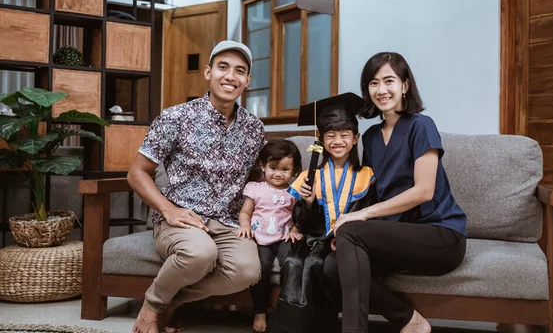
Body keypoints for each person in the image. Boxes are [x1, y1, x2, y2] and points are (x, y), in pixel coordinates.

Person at [322, 52, 467, 333]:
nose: (381, 90)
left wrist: (360, 218)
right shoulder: (372, 137)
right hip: (400, 237)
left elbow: (424, 191)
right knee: (330, 265)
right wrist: (341, 224)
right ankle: (408, 320)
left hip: (440, 236)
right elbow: (372, 193)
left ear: (405, 86)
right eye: (373, 83)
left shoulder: (421, 126)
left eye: (389, 80)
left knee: (351, 230)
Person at [128, 41, 265, 333]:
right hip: (181, 219)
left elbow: (258, 178)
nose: (231, 76)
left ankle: (170, 303)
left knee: (247, 271)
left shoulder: (254, 128)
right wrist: (169, 209)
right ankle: (152, 306)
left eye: (240, 71)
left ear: (247, 81)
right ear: (208, 72)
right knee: (200, 254)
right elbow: (137, 173)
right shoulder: (175, 117)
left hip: (228, 222)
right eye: (223, 67)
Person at [267, 93, 376, 333]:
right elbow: (303, 223)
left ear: (356, 138)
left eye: (345, 135)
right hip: (314, 238)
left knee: (315, 264)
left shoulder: (366, 175)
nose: (338, 141)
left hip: (343, 241)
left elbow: (368, 213)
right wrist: (308, 203)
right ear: (321, 140)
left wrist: (346, 236)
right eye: (331, 135)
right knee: (295, 262)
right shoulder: (311, 176)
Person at [237, 139, 304, 332]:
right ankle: (260, 311)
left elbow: (299, 215)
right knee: (261, 268)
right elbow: (245, 212)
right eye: (273, 168)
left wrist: (295, 229)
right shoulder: (255, 188)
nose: (278, 174)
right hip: (260, 238)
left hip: (284, 237)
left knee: (290, 264)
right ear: (262, 166)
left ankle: (284, 309)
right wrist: (245, 226)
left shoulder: (295, 192)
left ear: (294, 170)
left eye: (284, 169)